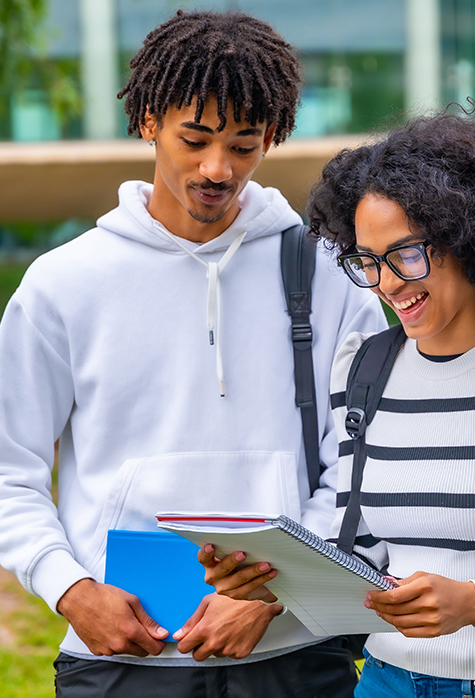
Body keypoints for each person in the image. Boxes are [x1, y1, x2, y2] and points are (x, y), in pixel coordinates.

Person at [0, 10, 385, 698]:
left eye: (243, 145)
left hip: (293, 655)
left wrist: (278, 595)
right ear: (148, 120)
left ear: (271, 136)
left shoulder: (329, 274)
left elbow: (367, 460)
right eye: (196, 139)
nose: (218, 168)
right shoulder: (64, 283)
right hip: (120, 661)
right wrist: (71, 589)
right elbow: (9, 469)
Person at [200, 112, 475, 697]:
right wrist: (273, 582)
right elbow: (360, 551)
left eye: (406, 255)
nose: (387, 283)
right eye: (368, 261)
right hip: (388, 682)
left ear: (467, 237)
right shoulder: (362, 371)